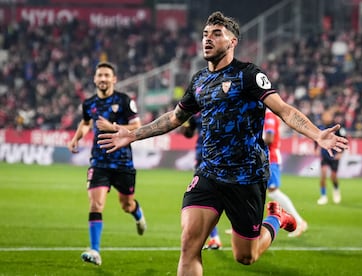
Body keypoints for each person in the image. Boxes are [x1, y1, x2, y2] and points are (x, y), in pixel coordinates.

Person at [98, 12, 348, 275]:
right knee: (188, 245)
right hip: (209, 173)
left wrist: (317, 134)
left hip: (246, 176)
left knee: (246, 257)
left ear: (232, 42)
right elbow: (174, 118)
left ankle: (277, 218)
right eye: (206, 34)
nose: (208, 39)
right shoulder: (199, 81)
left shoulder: (248, 75)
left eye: (216, 34)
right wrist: (132, 134)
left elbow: (284, 110)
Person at [67, 61, 147, 266]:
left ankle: (137, 213)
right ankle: (95, 250)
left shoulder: (124, 100)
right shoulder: (89, 104)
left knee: (126, 205)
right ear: (95, 79)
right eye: (99, 75)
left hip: (122, 162)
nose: (102, 79)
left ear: (114, 79)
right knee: (96, 204)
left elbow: (137, 126)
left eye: (106, 76)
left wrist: (112, 126)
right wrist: (77, 137)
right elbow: (86, 123)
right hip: (99, 162)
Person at [263, 108, 308, 237]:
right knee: (250, 190)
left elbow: (269, 138)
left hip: (270, 159)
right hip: (264, 159)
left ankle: (299, 222)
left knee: (274, 192)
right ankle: (242, 226)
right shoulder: (266, 115)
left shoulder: (269, 116)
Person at [180, 113, 222, 249]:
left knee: (227, 195)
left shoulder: (222, 104)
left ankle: (242, 229)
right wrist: (184, 123)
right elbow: (188, 134)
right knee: (205, 198)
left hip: (223, 158)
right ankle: (214, 238)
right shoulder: (195, 112)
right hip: (202, 158)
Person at [315, 111, 347, 205]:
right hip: (324, 155)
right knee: (323, 175)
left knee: (333, 177)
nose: (326, 117)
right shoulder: (320, 127)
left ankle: (336, 190)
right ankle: (323, 196)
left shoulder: (336, 128)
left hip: (334, 156)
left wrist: (341, 153)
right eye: (325, 115)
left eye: (328, 115)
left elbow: (345, 140)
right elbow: (316, 139)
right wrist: (316, 148)